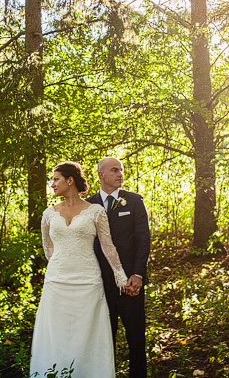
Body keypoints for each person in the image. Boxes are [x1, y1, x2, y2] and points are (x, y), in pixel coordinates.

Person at [30, 161, 128, 378]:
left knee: (87, 334)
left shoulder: (95, 211)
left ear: (70, 180)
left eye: (56, 179)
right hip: (57, 282)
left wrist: (120, 276)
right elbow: (49, 249)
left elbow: (107, 246)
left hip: (88, 282)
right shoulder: (48, 214)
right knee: (56, 334)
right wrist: (61, 266)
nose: (52, 184)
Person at [87, 157, 151, 378]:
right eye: (114, 170)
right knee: (104, 341)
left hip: (130, 283)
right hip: (99, 285)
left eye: (122, 171)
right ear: (101, 175)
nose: (120, 174)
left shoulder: (134, 201)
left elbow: (144, 239)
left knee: (136, 338)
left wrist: (138, 274)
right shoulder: (87, 204)